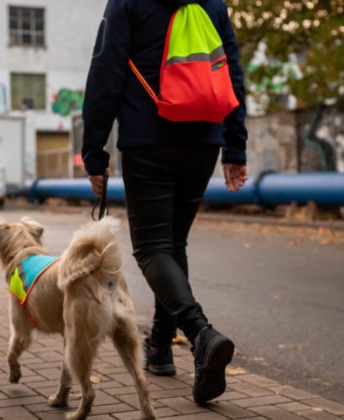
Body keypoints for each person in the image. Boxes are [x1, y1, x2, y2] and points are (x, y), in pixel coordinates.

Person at [81, 0, 249, 405]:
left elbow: (105, 75)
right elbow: (232, 73)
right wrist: (235, 147)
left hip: (148, 137)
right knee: (173, 245)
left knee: (152, 247)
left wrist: (94, 154)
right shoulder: (213, 4)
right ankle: (159, 348)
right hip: (203, 141)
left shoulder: (127, 2)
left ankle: (200, 333)